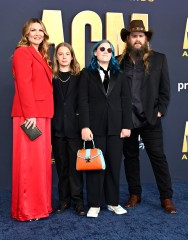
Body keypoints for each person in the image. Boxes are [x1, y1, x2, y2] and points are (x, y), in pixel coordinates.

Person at [118, 20, 177, 214]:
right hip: (127, 120)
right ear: (128, 39)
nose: (137, 39)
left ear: (146, 39)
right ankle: (135, 194)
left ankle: (166, 197)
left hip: (150, 118)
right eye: (133, 36)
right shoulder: (118, 61)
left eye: (140, 36)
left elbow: (165, 90)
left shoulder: (159, 59)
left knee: (158, 158)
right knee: (131, 158)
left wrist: (160, 109)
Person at [78, 40, 132, 217]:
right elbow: (83, 101)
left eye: (109, 49)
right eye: (102, 49)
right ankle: (94, 204)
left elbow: (126, 102)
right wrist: (85, 126)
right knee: (95, 167)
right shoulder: (86, 74)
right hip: (95, 128)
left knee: (114, 166)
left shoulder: (120, 75)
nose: (106, 51)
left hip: (116, 128)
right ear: (95, 52)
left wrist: (126, 126)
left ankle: (113, 202)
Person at [11, 18, 54, 221]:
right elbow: (24, 84)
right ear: (26, 34)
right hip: (30, 114)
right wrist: (30, 115)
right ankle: (28, 210)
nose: (37, 33)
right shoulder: (22, 52)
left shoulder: (42, 54)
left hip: (42, 113)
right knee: (30, 163)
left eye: (40, 30)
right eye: (33, 30)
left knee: (40, 163)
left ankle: (40, 206)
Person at [51, 42, 86, 216]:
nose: (64, 57)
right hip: (57, 129)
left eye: (67, 54)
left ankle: (78, 202)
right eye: (60, 54)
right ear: (56, 57)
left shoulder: (80, 77)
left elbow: (84, 103)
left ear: (72, 56)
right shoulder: (51, 77)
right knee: (62, 168)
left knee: (75, 168)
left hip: (74, 130)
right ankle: (64, 200)